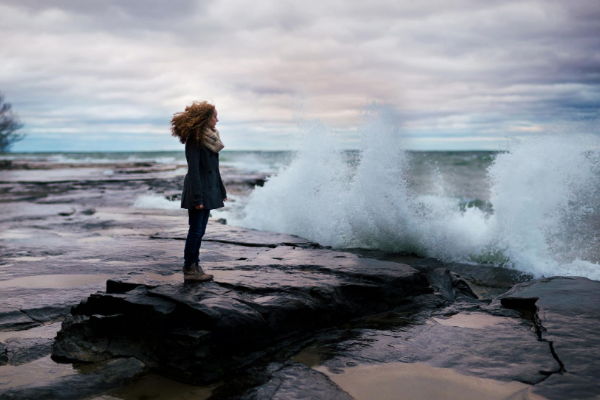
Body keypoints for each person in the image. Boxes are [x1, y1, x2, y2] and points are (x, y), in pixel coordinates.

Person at [171, 101, 228, 282]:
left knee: (200, 230)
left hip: (209, 188)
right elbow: (194, 171)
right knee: (195, 230)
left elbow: (215, 169)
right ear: (205, 118)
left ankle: (195, 266)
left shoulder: (211, 139)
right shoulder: (194, 141)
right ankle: (189, 269)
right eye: (214, 116)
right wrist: (197, 198)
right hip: (199, 190)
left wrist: (222, 190)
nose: (217, 120)